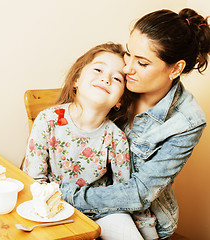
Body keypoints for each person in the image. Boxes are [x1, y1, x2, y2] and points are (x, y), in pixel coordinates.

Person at [60, 8, 210, 239]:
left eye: (141, 63)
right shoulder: (114, 80)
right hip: (80, 205)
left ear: (176, 68)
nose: (127, 67)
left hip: (142, 219)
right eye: (128, 53)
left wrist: (66, 195)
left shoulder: (187, 121)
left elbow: (139, 193)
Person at [23, 43, 157, 239]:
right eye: (98, 69)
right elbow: (34, 181)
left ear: (120, 100)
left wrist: (149, 233)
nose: (105, 78)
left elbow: (125, 193)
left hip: (103, 210)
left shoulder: (116, 137)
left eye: (117, 78)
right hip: (55, 209)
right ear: (77, 79)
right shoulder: (48, 120)